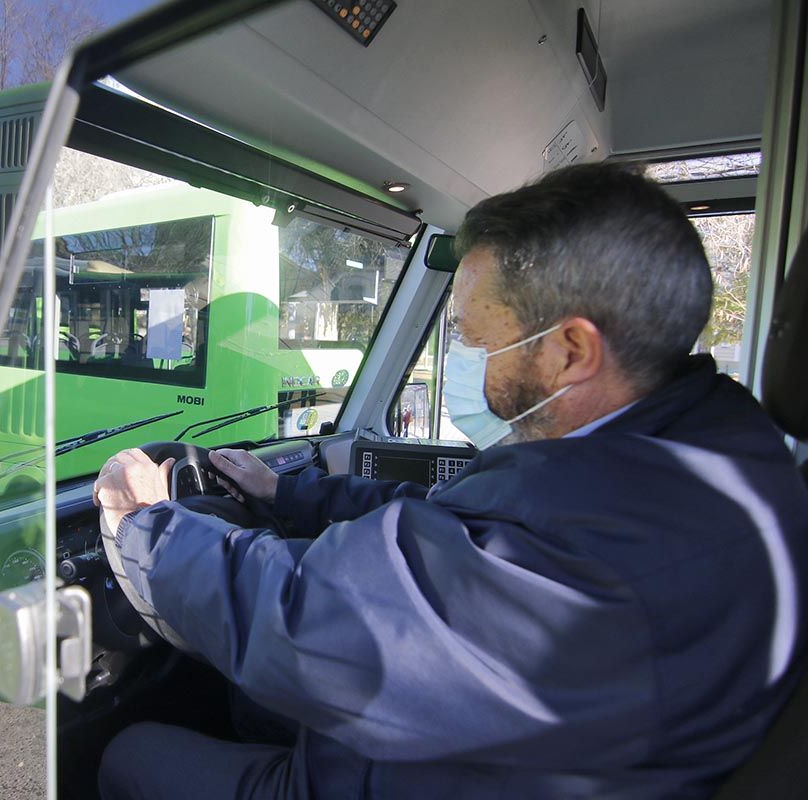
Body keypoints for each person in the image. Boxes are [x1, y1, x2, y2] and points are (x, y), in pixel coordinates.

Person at [91, 163, 808, 799]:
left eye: (474, 337)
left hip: (433, 769)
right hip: (488, 749)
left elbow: (318, 629)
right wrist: (289, 495)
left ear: (570, 350)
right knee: (242, 702)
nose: (463, 352)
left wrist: (157, 528)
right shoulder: (689, 447)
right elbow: (465, 518)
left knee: (130, 754)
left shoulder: (616, 551)